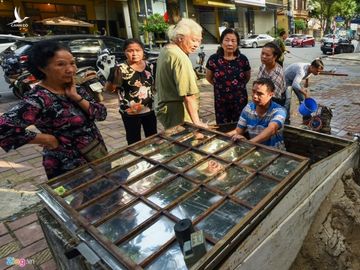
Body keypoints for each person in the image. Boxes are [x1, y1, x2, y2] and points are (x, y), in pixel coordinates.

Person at [0, 40, 107, 179]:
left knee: (106, 195)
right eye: (61, 64)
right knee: (79, 200)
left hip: (95, 153)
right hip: (67, 164)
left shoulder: (76, 89)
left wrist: (76, 97)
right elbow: (3, 129)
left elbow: (101, 114)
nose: (71, 70)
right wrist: (46, 139)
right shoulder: (39, 99)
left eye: (72, 63)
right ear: (42, 68)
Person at [154, 18, 207, 129]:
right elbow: (189, 95)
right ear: (179, 38)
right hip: (178, 112)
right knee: (184, 142)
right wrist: (197, 122)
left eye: (199, 40)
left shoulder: (167, 50)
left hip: (166, 108)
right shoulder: (180, 57)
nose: (197, 45)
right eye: (194, 40)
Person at [105, 38, 157, 145]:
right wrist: (114, 83)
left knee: (153, 137)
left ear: (143, 51)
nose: (134, 54)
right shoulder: (120, 69)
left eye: (138, 50)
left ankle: (154, 158)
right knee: (133, 140)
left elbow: (154, 85)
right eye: (130, 50)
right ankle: (136, 160)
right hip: (130, 112)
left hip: (149, 109)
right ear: (125, 52)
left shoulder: (150, 66)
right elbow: (108, 89)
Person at [206, 28, 251, 125]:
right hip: (221, 101)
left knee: (240, 126)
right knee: (223, 127)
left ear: (237, 44)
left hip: (240, 100)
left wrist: (236, 87)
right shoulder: (213, 59)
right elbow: (209, 78)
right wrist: (220, 86)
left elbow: (247, 78)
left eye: (233, 41)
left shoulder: (243, 59)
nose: (230, 43)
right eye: (226, 40)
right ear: (221, 42)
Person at [227, 78, 286, 150]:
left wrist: (248, 143)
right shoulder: (248, 108)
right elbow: (238, 130)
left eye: (259, 93)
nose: (254, 96)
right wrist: (222, 137)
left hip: (274, 151)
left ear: (270, 95)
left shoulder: (279, 111)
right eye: (253, 92)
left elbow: (271, 129)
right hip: (254, 149)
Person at [257, 42, 286, 107]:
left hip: (275, 101)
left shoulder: (278, 73)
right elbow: (258, 82)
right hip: (263, 96)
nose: (263, 56)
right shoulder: (263, 66)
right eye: (262, 53)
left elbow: (273, 96)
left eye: (267, 55)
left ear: (275, 57)